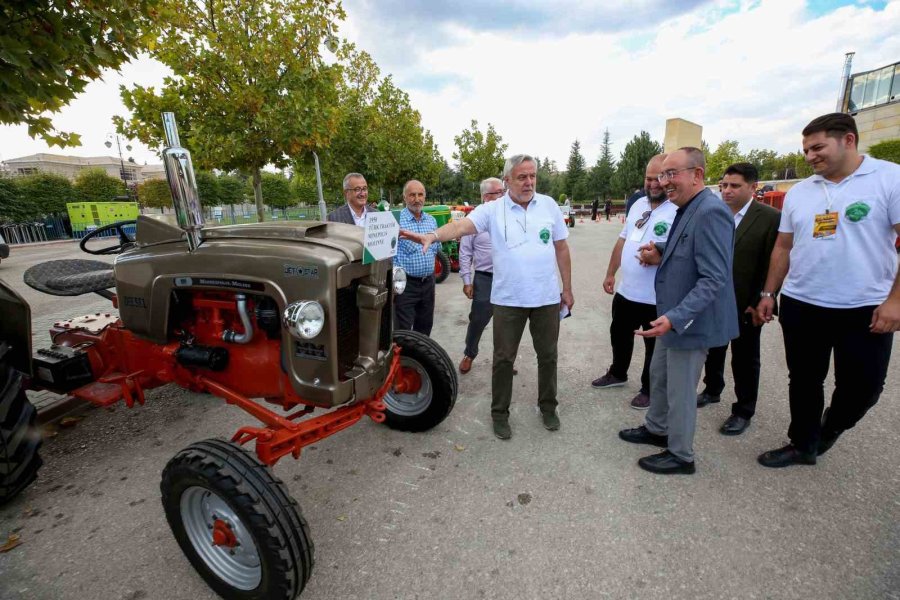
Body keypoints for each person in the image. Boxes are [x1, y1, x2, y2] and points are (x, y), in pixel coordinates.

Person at [755, 113, 900, 468]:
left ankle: (829, 428)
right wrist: (769, 293)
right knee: (803, 381)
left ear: (848, 140)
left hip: (864, 307)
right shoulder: (801, 192)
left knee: (864, 388)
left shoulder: (889, 179)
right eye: (805, 150)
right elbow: (783, 247)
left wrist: (895, 301)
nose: (809, 157)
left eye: (817, 147)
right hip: (803, 304)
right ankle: (802, 444)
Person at [400, 155, 573, 440]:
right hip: (507, 299)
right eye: (521, 177)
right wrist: (433, 235)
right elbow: (459, 227)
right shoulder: (492, 210)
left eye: (532, 176)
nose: (529, 182)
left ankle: (548, 406)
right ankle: (499, 413)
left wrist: (567, 288)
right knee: (503, 359)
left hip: (545, 298)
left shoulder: (549, 206)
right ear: (507, 181)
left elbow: (562, 248)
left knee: (549, 356)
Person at [618, 147, 738, 475]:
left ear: (697, 175)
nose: (664, 181)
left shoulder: (711, 211)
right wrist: (659, 248)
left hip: (688, 321)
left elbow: (714, 277)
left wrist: (675, 317)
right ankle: (657, 428)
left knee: (681, 390)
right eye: (661, 175)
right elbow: (686, 247)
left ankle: (681, 455)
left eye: (672, 174)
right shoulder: (686, 207)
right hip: (671, 317)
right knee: (659, 376)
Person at [696, 162, 780, 436]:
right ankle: (712, 389)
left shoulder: (769, 218)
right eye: (724, 185)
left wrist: (762, 299)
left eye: (735, 186)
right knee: (714, 349)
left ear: (753, 188)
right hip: (713, 300)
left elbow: (774, 263)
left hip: (747, 303)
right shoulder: (714, 212)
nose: (727, 191)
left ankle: (743, 410)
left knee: (745, 359)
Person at [593, 154, 677, 409]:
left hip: (656, 295)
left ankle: (649, 388)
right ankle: (618, 373)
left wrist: (660, 256)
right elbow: (623, 240)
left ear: (668, 178)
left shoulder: (678, 207)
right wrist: (610, 273)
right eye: (648, 178)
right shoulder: (639, 204)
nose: (652, 184)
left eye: (658, 179)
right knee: (619, 333)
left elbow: (682, 252)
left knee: (654, 345)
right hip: (627, 290)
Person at [458, 177, 504, 374]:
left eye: (504, 191)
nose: (504, 195)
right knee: (478, 320)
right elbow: (465, 252)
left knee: (507, 323)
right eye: (499, 192)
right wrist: (467, 280)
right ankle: (469, 354)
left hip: (507, 278)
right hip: (484, 278)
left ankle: (504, 361)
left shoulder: (508, 215)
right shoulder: (474, 219)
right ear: (486, 196)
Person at [393, 180, 439, 335]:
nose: (417, 199)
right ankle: (404, 360)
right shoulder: (396, 221)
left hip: (428, 283)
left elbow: (436, 249)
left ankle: (419, 359)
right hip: (406, 285)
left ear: (425, 196)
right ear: (404, 197)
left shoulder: (431, 221)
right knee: (404, 331)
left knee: (425, 327)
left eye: (420, 194)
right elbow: (389, 255)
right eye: (412, 195)